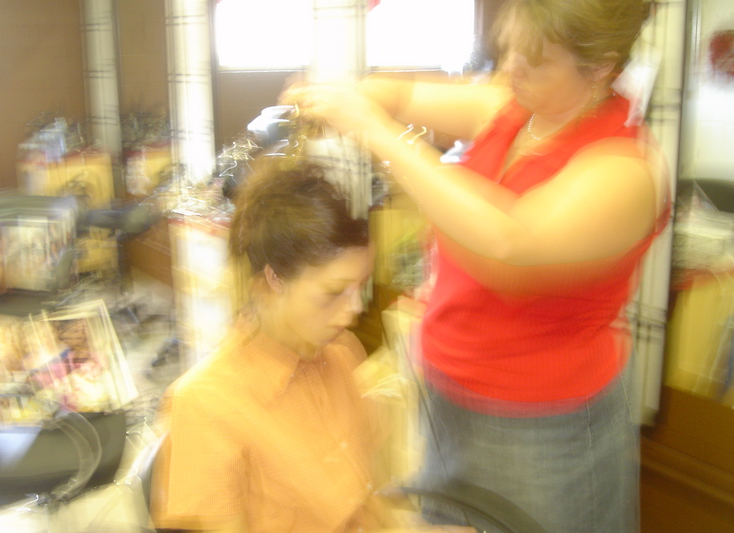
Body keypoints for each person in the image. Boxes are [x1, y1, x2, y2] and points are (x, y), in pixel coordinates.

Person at [285, 1, 670, 532]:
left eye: (536, 59)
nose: (511, 68)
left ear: (601, 66)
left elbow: (503, 242)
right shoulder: (513, 108)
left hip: (544, 422)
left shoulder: (625, 171)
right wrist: (350, 98)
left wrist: (377, 133)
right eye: (509, 47)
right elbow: (401, 94)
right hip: (448, 389)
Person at [150, 159, 474, 533]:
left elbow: (370, 498)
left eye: (361, 287)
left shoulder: (341, 353)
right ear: (274, 280)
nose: (354, 310)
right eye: (334, 293)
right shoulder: (206, 406)